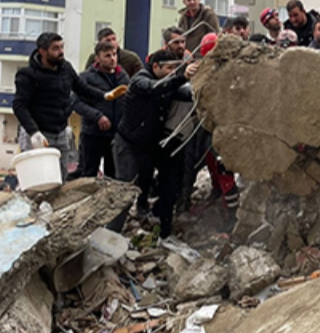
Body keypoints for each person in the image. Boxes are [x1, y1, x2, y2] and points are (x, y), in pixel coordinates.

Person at [13, 33, 124, 175]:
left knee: (60, 177)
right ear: (42, 52)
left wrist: (105, 95)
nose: (60, 52)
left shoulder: (65, 68)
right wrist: (33, 132)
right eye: (55, 48)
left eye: (61, 47)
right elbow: (19, 106)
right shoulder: (27, 75)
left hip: (60, 131)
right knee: (39, 178)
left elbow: (82, 88)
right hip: (39, 134)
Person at [114, 51, 197, 237]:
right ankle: (112, 232)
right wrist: (182, 76)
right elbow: (155, 88)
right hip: (128, 144)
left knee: (154, 183)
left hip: (148, 146)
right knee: (125, 190)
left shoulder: (169, 83)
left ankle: (152, 219)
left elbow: (186, 94)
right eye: (169, 68)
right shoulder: (140, 80)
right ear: (155, 67)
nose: (172, 72)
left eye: (175, 68)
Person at [73, 41, 131, 178]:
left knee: (114, 175)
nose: (112, 59)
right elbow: (76, 102)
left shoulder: (123, 77)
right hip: (93, 133)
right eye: (107, 56)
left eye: (114, 55)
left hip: (116, 134)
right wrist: (97, 116)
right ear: (97, 58)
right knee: (89, 173)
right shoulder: (86, 78)